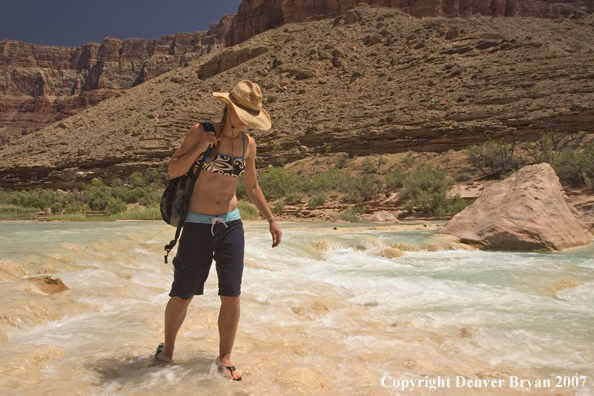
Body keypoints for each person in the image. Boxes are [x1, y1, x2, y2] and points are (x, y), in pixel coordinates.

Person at [152, 80, 282, 380]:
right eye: (240, 114)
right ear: (228, 107)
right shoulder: (202, 130)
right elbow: (173, 170)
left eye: (249, 117)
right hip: (197, 225)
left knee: (231, 295)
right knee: (183, 294)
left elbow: (251, 186)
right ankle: (167, 351)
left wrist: (271, 219)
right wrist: (200, 148)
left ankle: (225, 358)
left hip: (230, 225)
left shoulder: (248, 144)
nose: (243, 122)